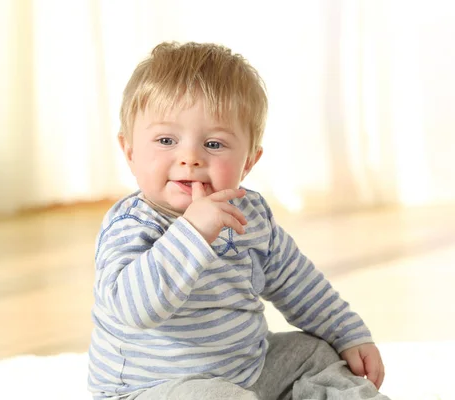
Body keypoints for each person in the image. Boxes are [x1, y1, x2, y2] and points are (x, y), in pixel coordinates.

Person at [87, 41, 390, 400]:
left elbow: (298, 282)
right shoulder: (130, 225)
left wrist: (348, 333)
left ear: (249, 161)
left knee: (315, 355)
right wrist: (192, 233)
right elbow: (133, 310)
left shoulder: (250, 215)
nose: (190, 157)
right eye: (166, 140)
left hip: (248, 369)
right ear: (130, 152)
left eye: (214, 144)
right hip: (153, 388)